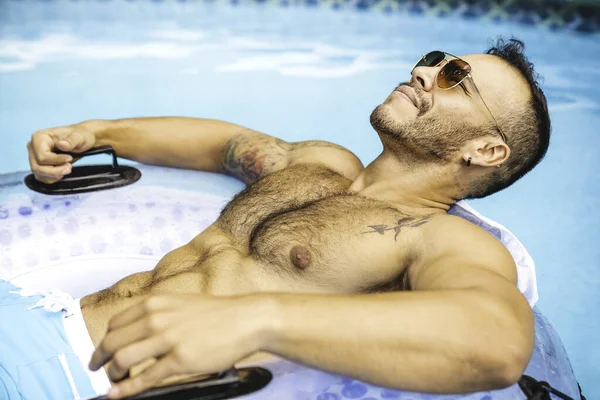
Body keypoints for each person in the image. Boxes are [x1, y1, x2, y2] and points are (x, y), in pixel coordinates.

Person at [17, 37, 550, 399]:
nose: (423, 71)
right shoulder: (321, 163)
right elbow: (222, 144)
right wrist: (97, 131)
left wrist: (256, 318)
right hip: (41, 315)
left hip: (82, 379)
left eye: (455, 77)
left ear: (486, 150)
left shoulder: (440, 238)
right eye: (436, 58)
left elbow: (498, 342)